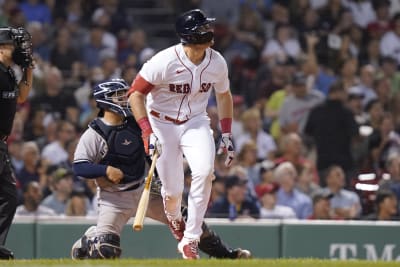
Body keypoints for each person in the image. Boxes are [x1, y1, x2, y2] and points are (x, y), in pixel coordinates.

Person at [71, 79, 250, 260]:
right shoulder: (94, 133)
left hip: (146, 190)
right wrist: (106, 170)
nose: (125, 100)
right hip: (114, 198)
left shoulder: (137, 123)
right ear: (104, 101)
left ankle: (227, 256)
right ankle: (90, 239)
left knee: (189, 222)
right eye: (118, 96)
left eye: (124, 95)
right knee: (106, 251)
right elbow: (79, 166)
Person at [128, 9, 235, 259]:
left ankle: (191, 238)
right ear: (190, 36)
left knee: (205, 172)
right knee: (173, 192)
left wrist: (227, 134)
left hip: (195, 122)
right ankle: (175, 219)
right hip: (161, 124)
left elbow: (223, 95)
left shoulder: (216, 61)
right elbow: (135, 93)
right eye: (203, 30)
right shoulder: (164, 61)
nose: (209, 33)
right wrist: (146, 131)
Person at [0, 26, 34, 259]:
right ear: (1, 48)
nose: (20, 49)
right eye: (15, 45)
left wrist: (28, 70)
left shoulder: (8, 72)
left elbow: (21, 97)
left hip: (1, 142)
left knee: (9, 196)